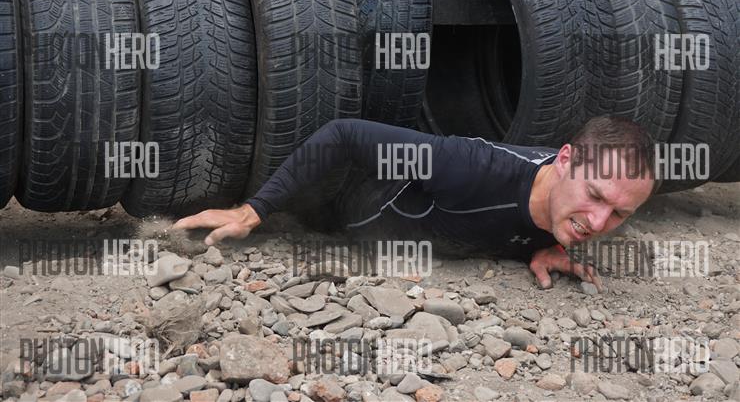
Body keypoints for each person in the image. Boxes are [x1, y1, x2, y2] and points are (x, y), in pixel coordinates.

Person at [173, 116, 659, 292]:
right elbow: (343, 134)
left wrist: (541, 245)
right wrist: (252, 211)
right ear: (565, 160)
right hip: (326, 200)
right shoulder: (470, 167)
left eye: (620, 213)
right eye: (595, 196)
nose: (600, 221)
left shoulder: (566, 208)